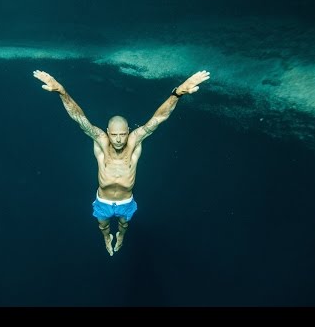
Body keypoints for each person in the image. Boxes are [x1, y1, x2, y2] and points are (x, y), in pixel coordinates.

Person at [33, 69, 211, 256]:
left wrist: (178, 93)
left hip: (126, 200)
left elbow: (158, 118)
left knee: (124, 224)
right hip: (103, 200)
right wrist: (62, 91)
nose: (118, 140)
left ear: (128, 131)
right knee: (102, 226)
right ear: (108, 132)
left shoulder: (135, 141)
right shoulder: (101, 140)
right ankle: (106, 238)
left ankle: (121, 237)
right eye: (114, 135)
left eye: (123, 134)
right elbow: (79, 118)